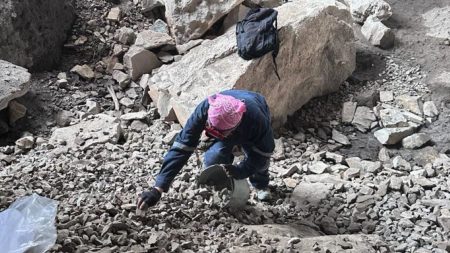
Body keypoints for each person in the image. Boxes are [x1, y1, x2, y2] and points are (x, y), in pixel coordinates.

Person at [137, 90, 275, 210]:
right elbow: (182, 147)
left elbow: (263, 154)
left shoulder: (257, 121)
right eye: (210, 128)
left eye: (219, 133)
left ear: (233, 129)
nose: (213, 134)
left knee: (260, 163)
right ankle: (223, 187)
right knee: (214, 157)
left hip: (254, 111)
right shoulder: (205, 109)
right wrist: (158, 188)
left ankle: (260, 184)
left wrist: (241, 171)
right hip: (230, 123)